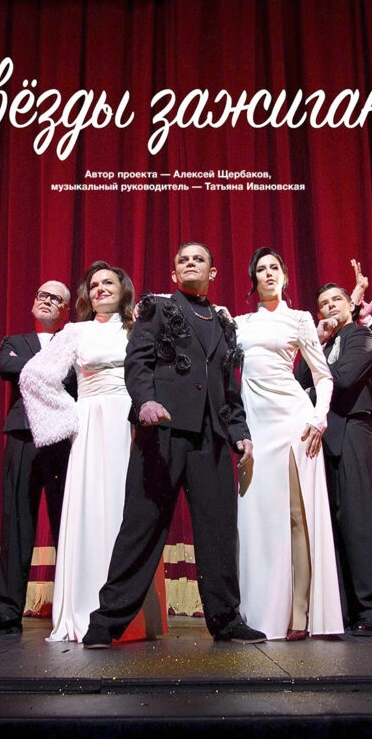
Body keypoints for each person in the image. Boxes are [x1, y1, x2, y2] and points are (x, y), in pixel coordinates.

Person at [82, 242, 265, 647]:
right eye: (183, 259)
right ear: (174, 274)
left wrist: (240, 432)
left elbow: (228, 386)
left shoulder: (223, 324)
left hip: (211, 438)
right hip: (162, 431)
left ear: (212, 273)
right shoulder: (158, 308)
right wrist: (144, 401)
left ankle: (226, 620)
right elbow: (138, 360)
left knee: (218, 532)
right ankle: (106, 622)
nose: (190, 263)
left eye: (199, 259)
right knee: (141, 527)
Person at [19, 262, 165, 642]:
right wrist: (71, 415)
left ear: (123, 288)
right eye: (94, 284)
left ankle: (128, 612)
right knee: (92, 507)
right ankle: (87, 607)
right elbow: (33, 377)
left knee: (127, 508)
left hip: (131, 423)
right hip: (90, 424)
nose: (100, 288)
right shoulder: (76, 331)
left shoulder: (138, 327)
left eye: (108, 282)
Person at [235, 248, 343, 640]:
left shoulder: (300, 319)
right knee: (258, 519)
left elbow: (323, 375)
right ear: (254, 279)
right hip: (257, 429)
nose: (267, 274)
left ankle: (300, 613)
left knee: (298, 518)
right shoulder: (239, 323)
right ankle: (260, 609)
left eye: (274, 268)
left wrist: (319, 416)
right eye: (261, 269)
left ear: (284, 276)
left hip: (295, 423)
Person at [296, 281, 372, 635]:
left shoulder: (362, 337)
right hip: (324, 438)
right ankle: (346, 607)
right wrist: (315, 342)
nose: (330, 306)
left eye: (336, 299)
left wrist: (314, 378)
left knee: (362, 520)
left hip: (354, 431)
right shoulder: (323, 344)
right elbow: (298, 382)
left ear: (350, 305)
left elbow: (343, 378)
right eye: (323, 303)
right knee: (335, 522)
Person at [0, 281, 74, 634]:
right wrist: (51, 371)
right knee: (16, 522)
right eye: (41, 295)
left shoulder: (72, 341)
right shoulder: (15, 341)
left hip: (62, 439)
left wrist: (32, 370)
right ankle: (8, 611)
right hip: (23, 436)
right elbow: (5, 367)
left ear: (66, 309)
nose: (47, 301)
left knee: (65, 523)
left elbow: (74, 378)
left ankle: (71, 607)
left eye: (55, 298)